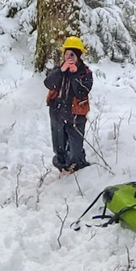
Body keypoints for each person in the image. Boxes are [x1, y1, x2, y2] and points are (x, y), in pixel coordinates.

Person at [44, 36, 93, 173]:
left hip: (76, 116)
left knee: (75, 151)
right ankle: (62, 167)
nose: (68, 57)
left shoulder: (86, 73)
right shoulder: (59, 69)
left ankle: (77, 165)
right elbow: (48, 83)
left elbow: (81, 93)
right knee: (59, 147)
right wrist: (61, 71)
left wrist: (74, 74)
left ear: (78, 56)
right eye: (66, 54)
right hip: (57, 112)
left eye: (72, 54)